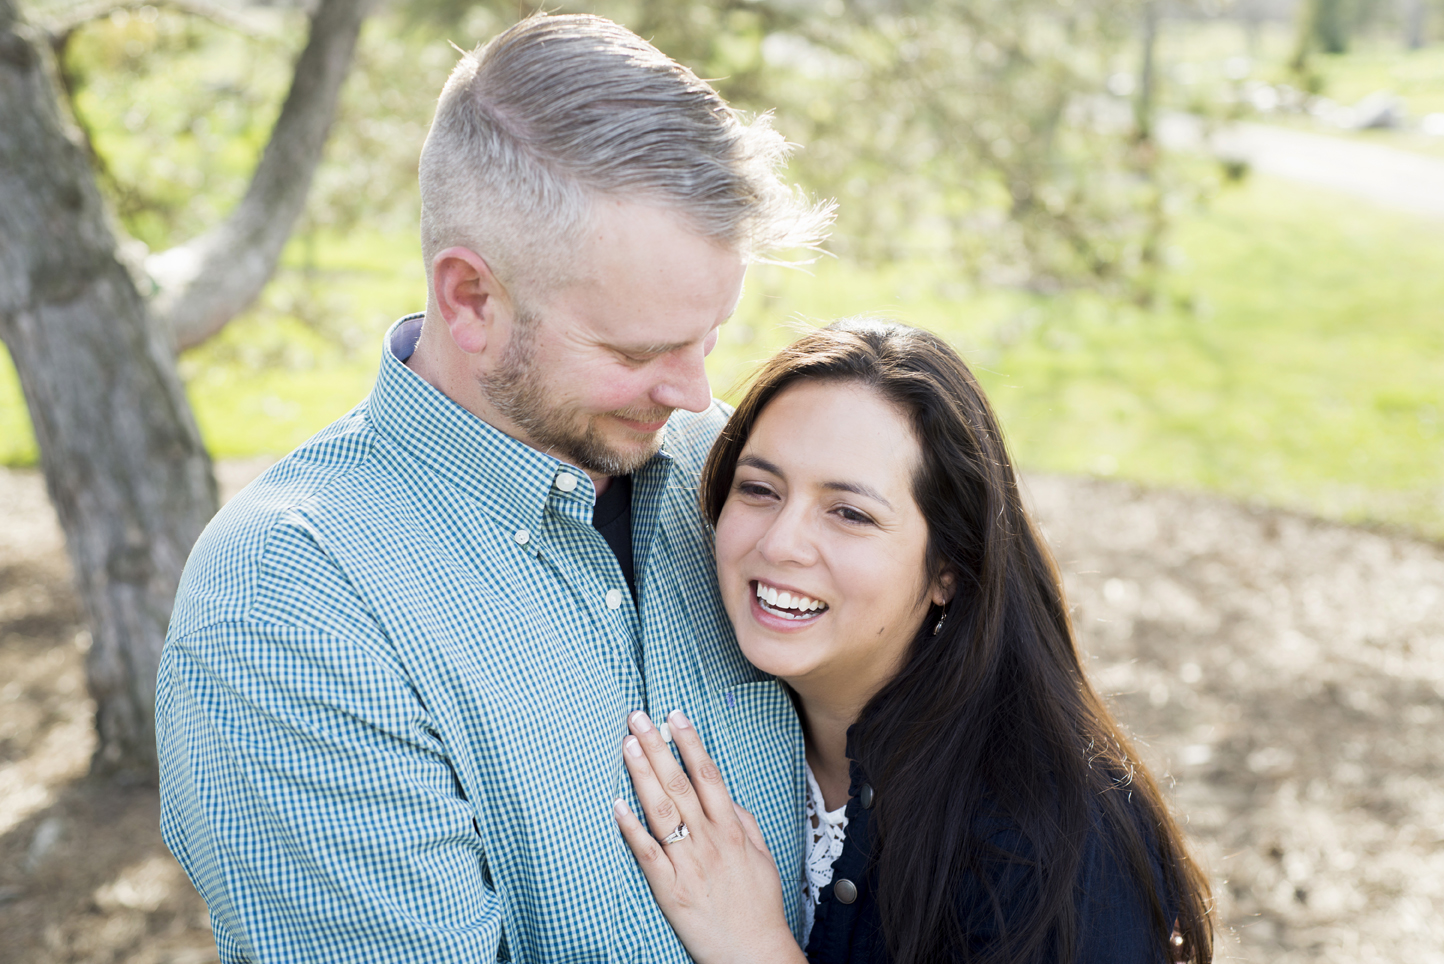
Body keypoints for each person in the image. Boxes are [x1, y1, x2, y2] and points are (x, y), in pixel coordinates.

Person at [155, 14, 831, 962]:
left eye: (710, 335)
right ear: (470, 299)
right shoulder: (294, 602)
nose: (695, 393)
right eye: (637, 351)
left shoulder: (731, 479)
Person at [612, 319, 1214, 964]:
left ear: (948, 568)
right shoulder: (739, 722)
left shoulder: (1052, 843)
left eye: (850, 513)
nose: (780, 543)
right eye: (759, 489)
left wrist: (753, 947)